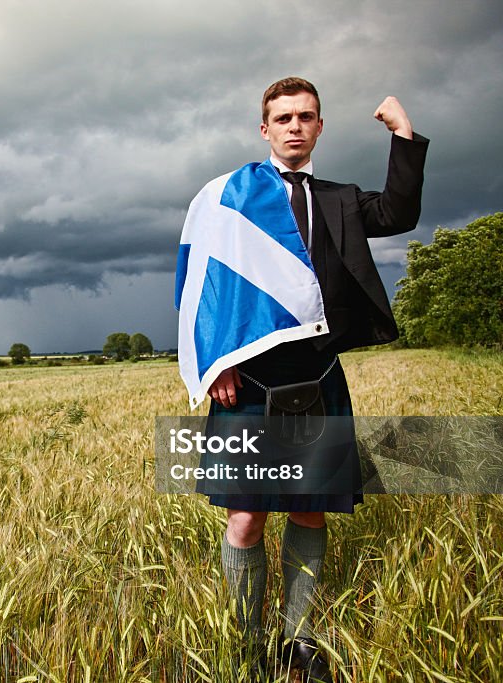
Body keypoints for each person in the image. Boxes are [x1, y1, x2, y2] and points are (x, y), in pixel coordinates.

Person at [175, 77, 428, 681]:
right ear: (265, 129)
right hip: (251, 379)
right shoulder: (228, 200)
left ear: (319, 128)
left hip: (318, 373)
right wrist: (217, 362)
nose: (294, 126)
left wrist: (403, 134)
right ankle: (243, 640)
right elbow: (199, 283)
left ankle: (301, 639)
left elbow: (399, 212)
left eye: (305, 117)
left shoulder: (339, 199)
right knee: (246, 517)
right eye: (283, 117)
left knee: (310, 512)